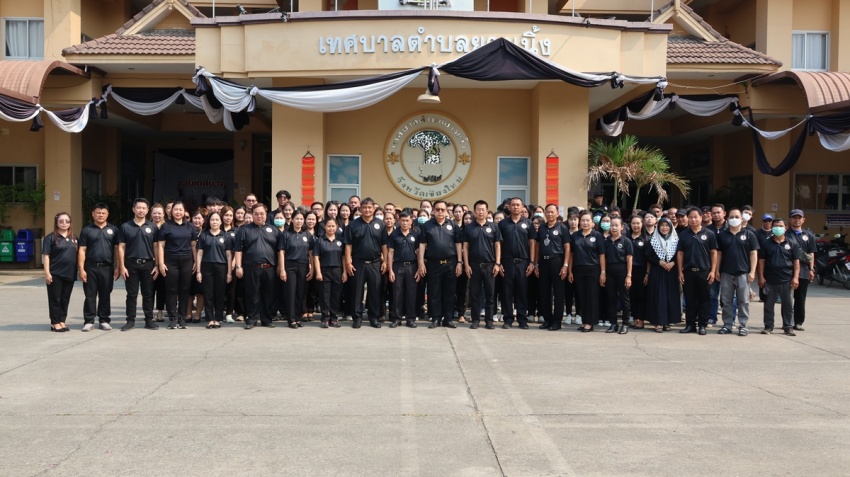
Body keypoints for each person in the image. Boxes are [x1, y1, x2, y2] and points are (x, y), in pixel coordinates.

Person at [418, 200, 463, 329]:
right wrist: (421, 263)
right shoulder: (427, 225)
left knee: (450, 292)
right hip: (433, 264)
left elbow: (458, 244)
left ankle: (448, 319)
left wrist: (459, 262)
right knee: (434, 292)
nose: (440, 212)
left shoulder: (453, 225)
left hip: (450, 263)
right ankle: (436, 318)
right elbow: (422, 244)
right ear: (433, 210)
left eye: (442, 209)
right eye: (437, 209)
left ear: (446, 211)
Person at [233, 203, 279, 329]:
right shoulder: (244, 230)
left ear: (266, 214)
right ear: (252, 215)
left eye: (262, 214)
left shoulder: (274, 230)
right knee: (252, 295)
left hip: (270, 268)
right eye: (256, 214)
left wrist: (280, 267)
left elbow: (280, 250)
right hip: (251, 268)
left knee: (268, 295)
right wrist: (238, 266)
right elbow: (238, 250)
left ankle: (266, 319)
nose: (259, 216)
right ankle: (252, 319)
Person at [117, 198, 160, 331]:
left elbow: (156, 247)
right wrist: (122, 266)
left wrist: (157, 265)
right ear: (133, 209)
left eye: (144, 208)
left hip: (148, 264)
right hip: (131, 264)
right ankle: (130, 320)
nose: (141, 210)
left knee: (148, 293)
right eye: (138, 208)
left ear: (147, 211)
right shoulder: (125, 227)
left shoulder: (152, 227)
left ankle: (149, 320)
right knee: (131, 294)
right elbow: (121, 248)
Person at [77, 203, 120, 331]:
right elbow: (82, 250)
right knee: (90, 295)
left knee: (105, 294)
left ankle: (104, 320)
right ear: (93, 214)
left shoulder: (114, 230)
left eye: (103, 213)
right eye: (98, 213)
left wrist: (118, 266)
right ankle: (89, 321)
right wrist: (81, 269)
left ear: (107, 214)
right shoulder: (87, 230)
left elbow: (117, 249)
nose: (100, 215)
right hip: (90, 267)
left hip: (107, 267)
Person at [716, 208, 759, 336]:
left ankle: (743, 325)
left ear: (741, 219)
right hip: (726, 273)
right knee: (726, 301)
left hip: (743, 273)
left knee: (743, 301)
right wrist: (717, 270)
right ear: (727, 219)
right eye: (731, 217)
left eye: (736, 217)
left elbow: (753, 254)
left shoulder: (749, 234)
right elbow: (719, 254)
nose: (734, 219)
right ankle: (727, 325)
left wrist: (752, 272)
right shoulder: (722, 235)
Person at [343, 197, 385, 329]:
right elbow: (348, 245)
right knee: (357, 292)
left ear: (374, 209)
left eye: (369, 207)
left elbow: (384, 245)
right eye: (364, 207)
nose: (367, 210)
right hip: (358, 263)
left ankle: (374, 317)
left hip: (375, 263)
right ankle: (357, 317)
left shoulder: (381, 224)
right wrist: (348, 262)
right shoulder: (353, 225)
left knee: (374, 291)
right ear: (360, 209)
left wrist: (385, 261)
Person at [677, 207, 718, 335]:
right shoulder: (684, 235)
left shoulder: (709, 234)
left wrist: (713, 271)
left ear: (701, 217)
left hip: (704, 271)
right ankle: (690, 324)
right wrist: (680, 272)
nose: (693, 219)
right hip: (688, 271)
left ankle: (702, 325)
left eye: (696, 217)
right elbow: (680, 253)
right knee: (689, 299)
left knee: (703, 299)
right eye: (690, 217)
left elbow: (714, 253)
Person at [462, 200, 502, 330]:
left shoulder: (494, 227)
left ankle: (489, 320)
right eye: (478, 209)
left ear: (487, 211)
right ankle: (475, 320)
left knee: (490, 295)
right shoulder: (469, 227)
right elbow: (465, 247)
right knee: (475, 294)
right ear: (474, 211)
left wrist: (497, 263)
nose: (480, 212)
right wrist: (466, 265)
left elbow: (497, 245)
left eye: (483, 209)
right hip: (474, 265)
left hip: (490, 265)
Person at [498, 197, 536, 329]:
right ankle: (508, 319)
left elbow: (532, 243)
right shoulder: (503, 224)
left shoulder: (528, 223)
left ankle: (522, 319)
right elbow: (499, 244)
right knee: (507, 291)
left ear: (522, 207)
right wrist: (499, 262)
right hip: (507, 262)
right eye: (513, 205)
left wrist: (532, 262)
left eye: (517, 205)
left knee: (522, 291)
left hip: (523, 262)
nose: (515, 207)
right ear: (509, 207)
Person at [758, 218, 800, 336]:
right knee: (768, 304)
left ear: (786, 228)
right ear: (772, 227)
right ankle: (768, 326)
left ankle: (788, 327)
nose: (778, 228)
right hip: (770, 279)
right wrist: (761, 277)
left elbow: (796, 262)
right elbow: (761, 261)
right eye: (776, 226)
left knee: (788, 305)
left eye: (781, 226)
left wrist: (795, 277)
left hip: (787, 279)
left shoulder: (792, 243)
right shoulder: (766, 243)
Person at [157, 201, 195, 329]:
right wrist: (161, 263)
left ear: (184, 212)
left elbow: (194, 245)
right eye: (176, 210)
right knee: (171, 290)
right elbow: (160, 246)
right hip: (170, 261)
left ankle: (182, 318)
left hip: (187, 261)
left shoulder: (190, 226)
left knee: (184, 290)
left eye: (180, 210)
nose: (178, 212)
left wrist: (196, 262)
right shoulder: (166, 226)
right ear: (171, 211)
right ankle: (173, 318)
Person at [534, 204, 570, 331]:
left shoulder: (562, 228)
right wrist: (536, 264)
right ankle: (547, 320)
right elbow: (538, 246)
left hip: (557, 261)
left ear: (557, 213)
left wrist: (565, 265)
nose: (549, 214)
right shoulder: (542, 228)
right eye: (547, 212)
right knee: (544, 292)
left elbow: (567, 247)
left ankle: (557, 321)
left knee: (558, 293)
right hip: (544, 262)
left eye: (552, 212)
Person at [570, 211, 605, 332]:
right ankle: (585, 321)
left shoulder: (597, 236)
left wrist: (603, 272)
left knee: (592, 296)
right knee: (582, 296)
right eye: (583, 220)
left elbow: (601, 255)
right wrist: (570, 271)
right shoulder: (575, 236)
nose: (585, 223)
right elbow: (571, 254)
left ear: (592, 223)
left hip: (593, 270)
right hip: (578, 269)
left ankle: (590, 322)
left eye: (587, 220)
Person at [278, 210, 314, 328]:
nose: (299, 221)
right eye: (297, 219)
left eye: (301, 219)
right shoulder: (286, 234)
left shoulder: (307, 235)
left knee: (300, 293)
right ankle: (291, 319)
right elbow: (281, 252)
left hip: (303, 266)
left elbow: (311, 253)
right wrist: (282, 269)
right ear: (292, 220)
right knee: (291, 293)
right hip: (290, 266)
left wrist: (312, 268)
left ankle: (298, 317)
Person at [195, 211, 232, 329]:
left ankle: (218, 318)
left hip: (221, 266)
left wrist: (229, 272)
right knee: (208, 293)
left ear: (221, 222)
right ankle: (210, 319)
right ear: (208, 221)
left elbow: (229, 255)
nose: (214, 222)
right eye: (212, 220)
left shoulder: (225, 236)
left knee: (220, 293)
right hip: (207, 266)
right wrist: (198, 271)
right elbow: (199, 254)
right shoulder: (204, 235)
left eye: (217, 220)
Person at [385, 211, 420, 328]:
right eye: (402, 220)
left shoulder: (416, 234)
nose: (405, 223)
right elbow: (390, 252)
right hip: (398, 266)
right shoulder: (394, 235)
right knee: (397, 293)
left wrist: (419, 268)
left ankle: (411, 319)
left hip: (412, 266)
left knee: (411, 293)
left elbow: (419, 252)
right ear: (399, 221)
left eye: (407, 221)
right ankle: (396, 318)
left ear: (411, 221)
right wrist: (390, 270)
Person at [43, 212, 77, 332]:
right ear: (56, 223)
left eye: (67, 221)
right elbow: (46, 256)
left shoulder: (74, 238)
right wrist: (47, 273)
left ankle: (62, 320)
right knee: (55, 299)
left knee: (65, 299)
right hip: (55, 273)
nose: (64, 223)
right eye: (61, 221)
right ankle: (55, 322)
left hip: (70, 273)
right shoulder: (50, 238)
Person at [645, 217, 681, 332]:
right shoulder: (653, 240)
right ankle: (658, 322)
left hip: (671, 271)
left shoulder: (676, 240)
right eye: (662, 225)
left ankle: (667, 322)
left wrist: (673, 263)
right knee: (658, 296)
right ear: (658, 226)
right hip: (657, 271)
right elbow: (647, 256)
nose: (664, 228)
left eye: (667, 225)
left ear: (671, 227)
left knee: (670, 297)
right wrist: (659, 262)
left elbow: (681, 255)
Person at [786, 209, 816, 331]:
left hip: (803, 271)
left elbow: (811, 253)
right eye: (794, 217)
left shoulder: (808, 236)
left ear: (803, 220)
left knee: (800, 298)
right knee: (787, 299)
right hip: (787, 270)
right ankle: (787, 322)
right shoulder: (785, 234)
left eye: (799, 218)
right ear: (790, 219)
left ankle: (798, 322)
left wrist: (811, 269)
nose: (797, 220)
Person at [314, 217, 346, 328]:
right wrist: (318, 272)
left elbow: (344, 257)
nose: (331, 228)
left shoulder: (340, 241)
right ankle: (325, 318)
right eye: (329, 226)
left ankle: (333, 318)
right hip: (324, 270)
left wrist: (344, 272)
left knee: (336, 295)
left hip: (338, 270)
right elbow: (316, 257)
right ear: (324, 227)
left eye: (333, 226)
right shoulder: (320, 240)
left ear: (337, 227)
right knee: (325, 295)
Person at [604, 217, 633, 334]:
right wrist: (603, 273)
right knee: (611, 298)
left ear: (622, 227)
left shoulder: (626, 241)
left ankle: (625, 323)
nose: (614, 228)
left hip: (622, 270)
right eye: (612, 225)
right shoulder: (606, 241)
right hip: (610, 271)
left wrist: (629, 275)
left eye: (616, 225)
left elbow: (629, 259)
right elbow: (603, 258)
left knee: (624, 298)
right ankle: (613, 323)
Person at [627, 215, 649, 329]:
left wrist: (647, 273)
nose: (635, 225)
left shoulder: (646, 239)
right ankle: (635, 318)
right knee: (632, 296)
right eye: (633, 223)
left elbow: (648, 259)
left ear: (642, 224)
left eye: (638, 223)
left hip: (642, 271)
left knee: (641, 296)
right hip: (629, 271)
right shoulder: (626, 238)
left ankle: (641, 320)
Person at [150, 203, 167, 322]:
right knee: (149, 288)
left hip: (164, 262)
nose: (157, 215)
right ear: (151, 214)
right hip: (150, 262)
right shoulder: (147, 226)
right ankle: (149, 312)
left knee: (162, 288)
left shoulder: (167, 227)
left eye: (159, 213)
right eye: (155, 213)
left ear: (164, 214)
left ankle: (160, 312)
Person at [188, 209, 206, 324]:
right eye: (195, 218)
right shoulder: (187, 231)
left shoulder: (206, 232)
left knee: (201, 291)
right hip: (188, 263)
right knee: (189, 290)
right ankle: (188, 313)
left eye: (199, 218)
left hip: (203, 265)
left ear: (203, 220)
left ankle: (198, 314)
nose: (197, 220)